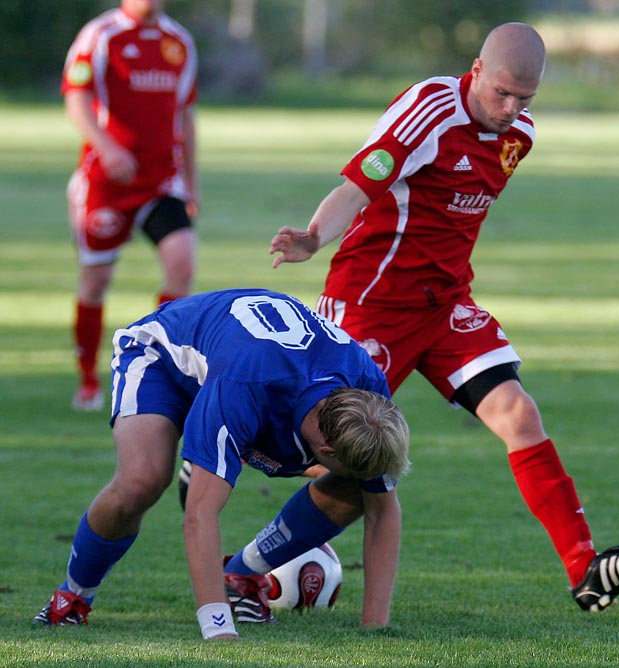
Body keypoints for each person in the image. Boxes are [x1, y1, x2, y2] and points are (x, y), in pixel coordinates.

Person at [268, 22, 619, 612]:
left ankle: (585, 566)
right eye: (501, 93)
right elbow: (361, 183)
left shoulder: (518, 137)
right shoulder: (428, 110)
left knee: (519, 413)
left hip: (446, 304)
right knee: (336, 463)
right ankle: (239, 542)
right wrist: (315, 237)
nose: (511, 109)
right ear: (476, 69)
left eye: (524, 99)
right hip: (370, 302)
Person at [33, 288, 411, 639]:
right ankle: (73, 597)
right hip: (164, 355)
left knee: (360, 488)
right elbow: (200, 512)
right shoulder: (248, 387)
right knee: (143, 479)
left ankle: (242, 575)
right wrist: (218, 629)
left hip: (252, 370)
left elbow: (382, 510)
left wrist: (375, 626)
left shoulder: (368, 387)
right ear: (326, 451)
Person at [62, 0, 199, 411]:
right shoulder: (101, 35)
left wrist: (191, 184)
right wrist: (107, 149)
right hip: (107, 185)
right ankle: (88, 379)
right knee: (97, 280)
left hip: (161, 182)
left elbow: (186, 115)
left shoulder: (180, 42)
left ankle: (160, 369)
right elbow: (76, 97)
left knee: (182, 265)